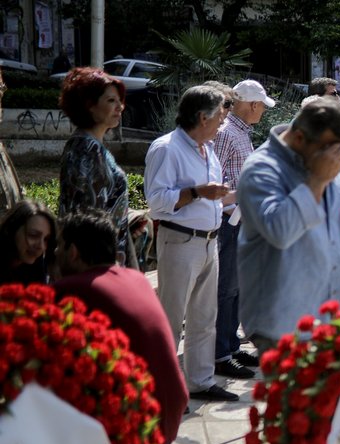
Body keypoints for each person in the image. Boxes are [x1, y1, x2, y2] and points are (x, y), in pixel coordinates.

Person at [237, 96, 340, 444]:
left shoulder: (326, 162)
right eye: (330, 149)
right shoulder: (261, 169)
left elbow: (338, 239)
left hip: (329, 313)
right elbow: (280, 230)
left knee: (321, 415)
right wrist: (317, 182)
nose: (337, 159)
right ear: (301, 137)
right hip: (282, 317)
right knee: (285, 419)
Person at [54, 209, 188, 444]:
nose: (54, 253)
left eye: (59, 246)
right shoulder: (135, 279)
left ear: (73, 252)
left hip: (143, 429)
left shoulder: (73, 288)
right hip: (171, 412)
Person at [145, 85, 234, 402]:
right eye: (219, 117)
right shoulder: (166, 148)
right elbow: (156, 202)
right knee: (171, 318)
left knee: (204, 317)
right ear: (202, 117)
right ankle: (163, 388)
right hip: (180, 241)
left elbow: (212, 198)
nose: (222, 123)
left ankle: (199, 381)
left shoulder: (206, 149)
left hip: (210, 241)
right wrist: (197, 192)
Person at [211, 79, 275, 381]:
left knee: (236, 288)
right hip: (228, 219)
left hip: (241, 219)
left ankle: (232, 345)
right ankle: (221, 352)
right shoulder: (227, 133)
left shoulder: (240, 132)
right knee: (226, 288)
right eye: (262, 105)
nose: (262, 111)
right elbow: (217, 179)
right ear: (251, 105)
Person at [58, 67, 135, 266]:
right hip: (95, 262)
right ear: (89, 105)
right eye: (111, 101)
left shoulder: (92, 146)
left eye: (120, 100)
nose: (120, 107)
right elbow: (88, 215)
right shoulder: (86, 149)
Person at [0, 199, 57, 284]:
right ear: (12, 229)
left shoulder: (36, 266)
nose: (41, 246)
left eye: (46, 239)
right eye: (33, 235)